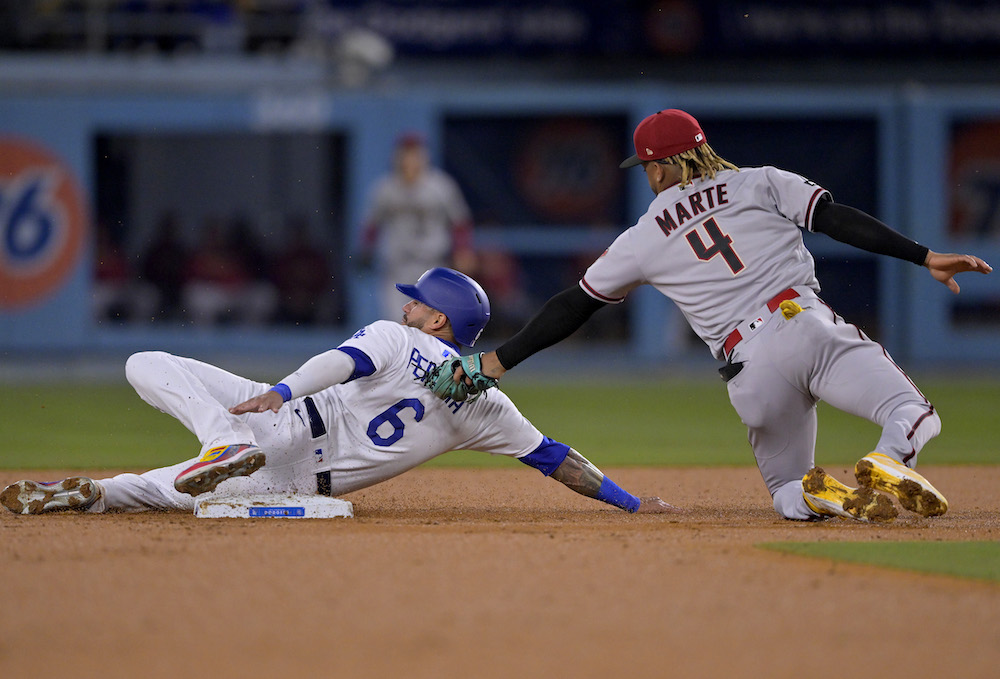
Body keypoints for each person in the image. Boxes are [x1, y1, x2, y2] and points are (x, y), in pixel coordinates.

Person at [449, 108, 993, 523]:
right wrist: (924, 255)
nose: (647, 175)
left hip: (745, 368)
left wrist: (498, 360)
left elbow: (574, 304)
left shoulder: (642, 236)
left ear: (665, 165)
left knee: (784, 487)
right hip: (800, 322)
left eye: (647, 165)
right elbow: (837, 220)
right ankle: (891, 456)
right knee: (912, 409)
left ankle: (817, 498)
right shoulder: (760, 181)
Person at [2, 268, 677, 517]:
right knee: (159, 490)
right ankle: (93, 490)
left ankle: (222, 440)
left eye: (419, 303)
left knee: (143, 362)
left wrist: (283, 388)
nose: (409, 306)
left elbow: (341, 359)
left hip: (286, 420)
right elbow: (556, 458)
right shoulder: (487, 406)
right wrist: (627, 499)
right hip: (296, 485)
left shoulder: (399, 336)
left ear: (437, 320)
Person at [359, 133, 477, 322]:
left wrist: (463, 250)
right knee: (396, 323)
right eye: (405, 153)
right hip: (396, 267)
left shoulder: (441, 186)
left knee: (431, 325)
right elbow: (372, 225)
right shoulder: (385, 189)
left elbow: (460, 223)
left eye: (415, 153)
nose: (410, 159)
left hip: (432, 265)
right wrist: (366, 251)